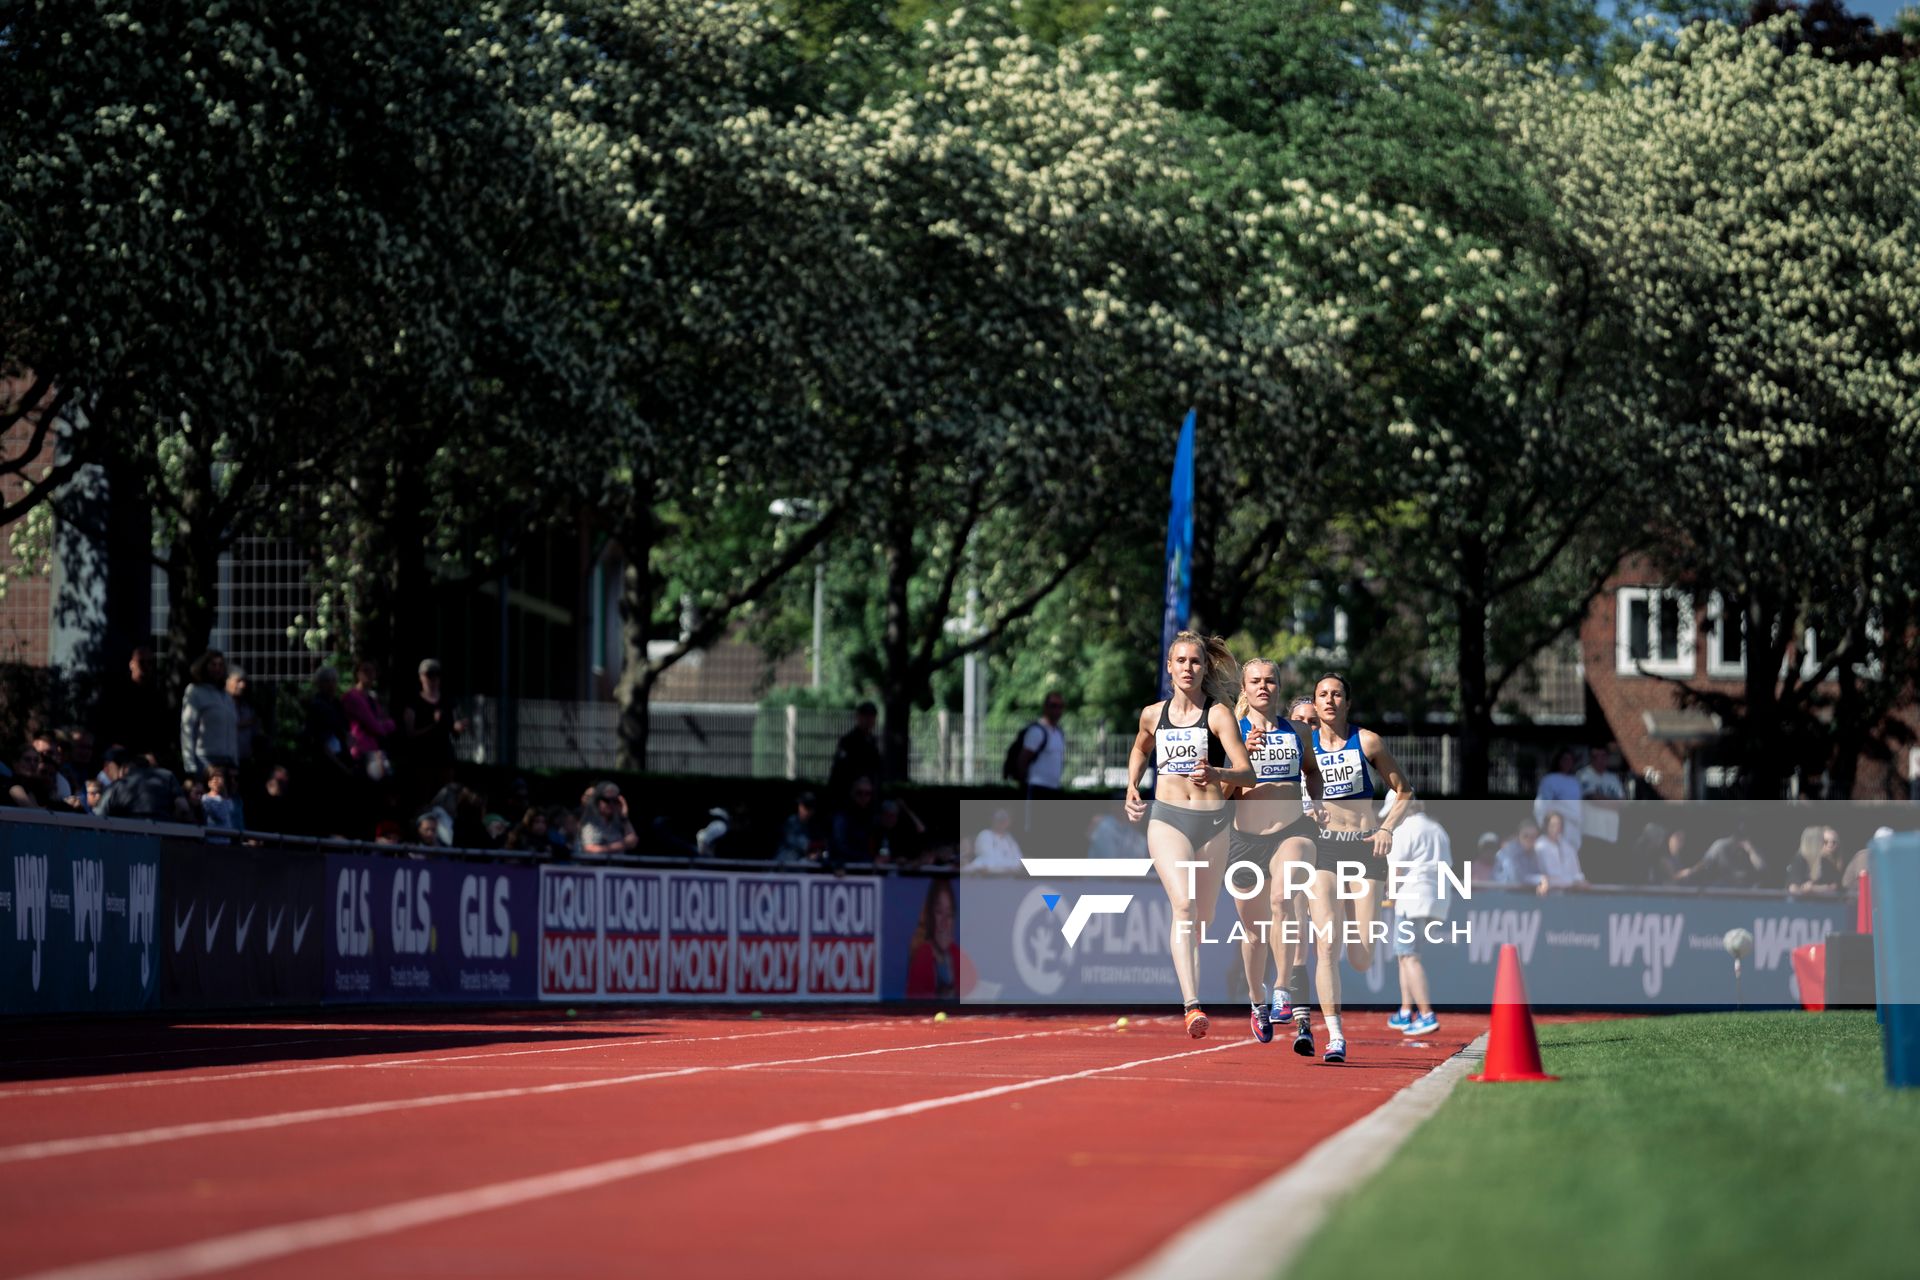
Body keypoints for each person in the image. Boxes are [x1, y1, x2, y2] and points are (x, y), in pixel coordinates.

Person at [1123, 631, 1257, 1039]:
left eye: (1195, 661)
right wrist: (1132, 785)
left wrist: (1217, 772)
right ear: (1169, 667)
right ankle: (1192, 1005)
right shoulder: (1152, 714)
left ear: (1204, 667)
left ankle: (1196, 981)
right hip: (1167, 819)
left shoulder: (1218, 715)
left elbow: (1246, 772)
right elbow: (1141, 749)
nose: (1187, 668)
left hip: (1212, 823)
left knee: (1204, 916)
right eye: (1180, 661)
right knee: (1183, 906)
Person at [1302, 671, 1413, 1063]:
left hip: (1365, 849)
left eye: (1337, 694)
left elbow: (1404, 791)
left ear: (1347, 703)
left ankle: (1357, 935)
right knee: (1326, 944)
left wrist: (1386, 828)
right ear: (1315, 703)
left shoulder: (1367, 742)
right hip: (1324, 849)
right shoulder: (1305, 747)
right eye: (1322, 694)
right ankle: (1335, 1036)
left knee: (1361, 957)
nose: (1329, 700)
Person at [1229, 657, 1326, 1049]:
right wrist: (1241, 759)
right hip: (1245, 840)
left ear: (1279, 687)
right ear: (1245, 688)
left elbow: (1312, 772)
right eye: (1255, 681)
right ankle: (1258, 1001)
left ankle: (1283, 989)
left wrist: (1318, 801)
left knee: (1282, 898)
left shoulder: (1298, 731)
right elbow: (1216, 794)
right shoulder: (1230, 730)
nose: (1263, 687)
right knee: (1254, 933)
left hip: (1292, 831)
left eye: (1270, 681)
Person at [1387, 799, 1450, 1037]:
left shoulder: (1404, 829)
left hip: (1412, 898)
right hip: (1435, 898)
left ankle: (1425, 1014)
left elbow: (1396, 869)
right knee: (1405, 955)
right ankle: (1406, 1011)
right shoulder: (1437, 828)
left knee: (1409, 956)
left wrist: (1391, 895)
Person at [402, 659, 466, 796]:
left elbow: (454, 726)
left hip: (444, 759)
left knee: (445, 797)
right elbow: (410, 734)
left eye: (437, 674)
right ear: (421, 676)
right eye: (429, 674)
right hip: (422, 761)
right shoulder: (414, 702)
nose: (433, 679)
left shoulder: (448, 700)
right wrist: (433, 723)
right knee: (423, 798)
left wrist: (457, 727)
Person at [905, 878, 973, 1000]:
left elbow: (975, 991)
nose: (944, 923)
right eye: (939, 912)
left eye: (949, 915)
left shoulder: (958, 956)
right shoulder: (923, 955)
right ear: (930, 916)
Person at [179, 650, 239, 779]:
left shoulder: (226, 696)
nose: (217, 669)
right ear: (204, 666)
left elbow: (232, 732)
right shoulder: (195, 691)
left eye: (221, 665)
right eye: (213, 664)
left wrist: (235, 762)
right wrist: (190, 766)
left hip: (227, 762)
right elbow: (188, 729)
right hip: (205, 760)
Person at [100, 746, 189, 821]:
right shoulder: (167, 776)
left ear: (125, 768)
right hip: (164, 831)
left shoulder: (119, 785)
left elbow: (101, 814)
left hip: (128, 833)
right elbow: (183, 807)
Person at [341, 659, 396, 780]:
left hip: (375, 749)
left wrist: (384, 724)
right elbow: (375, 726)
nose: (369, 674)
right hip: (361, 750)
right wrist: (383, 724)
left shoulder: (371, 698)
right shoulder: (352, 697)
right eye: (365, 670)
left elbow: (389, 723)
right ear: (357, 673)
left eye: (372, 671)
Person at [1015, 691, 1069, 810]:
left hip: (1053, 788)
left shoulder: (1058, 732)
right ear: (1045, 707)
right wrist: (1024, 787)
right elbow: (1023, 760)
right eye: (1053, 705)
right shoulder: (1037, 731)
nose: (1057, 710)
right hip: (1037, 788)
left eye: (1060, 706)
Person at [826, 702, 883, 807]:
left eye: (872, 717)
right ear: (859, 717)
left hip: (869, 799)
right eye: (866, 716)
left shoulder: (873, 742)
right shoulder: (848, 741)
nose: (869, 720)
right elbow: (839, 770)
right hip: (848, 798)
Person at [1674, 824, 1765, 888]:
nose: (1738, 841)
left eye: (1742, 837)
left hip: (1747, 886)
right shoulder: (1721, 845)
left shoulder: (1752, 848)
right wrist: (1690, 872)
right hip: (1726, 885)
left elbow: (1762, 868)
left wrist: (1750, 850)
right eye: (1737, 837)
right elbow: (1705, 862)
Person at [1533, 749, 1584, 854]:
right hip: (1559, 826)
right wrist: (1544, 824)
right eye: (1565, 759)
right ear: (1558, 761)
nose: (1568, 762)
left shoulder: (1575, 781)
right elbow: (1542, 804)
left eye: (1570, 760)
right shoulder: (1549, 780)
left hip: (1574, 827)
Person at [829, 777, 878, 868]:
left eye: (868, 793)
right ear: (852, 793)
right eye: (859, 793)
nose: (863, 797)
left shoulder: (872, 817)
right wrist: (866, 858)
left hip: (867, 868)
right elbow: (840, 847)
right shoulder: (842, 817)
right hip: (846, 869)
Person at [1533, 810, 1587, 892]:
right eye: (1553, 825)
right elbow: (1545, 876)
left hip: (1570, 893)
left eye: (1559, 825)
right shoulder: (1539, 847)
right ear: (1546, 826)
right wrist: (1573, 883)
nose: (1556, 828)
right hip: (1548, 892)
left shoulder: (1568, 847)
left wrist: (1581, 881)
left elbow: (1576, 873)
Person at [579, 782, 637, 856]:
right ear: (598, 801)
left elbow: (632, 842)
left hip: (616, 863)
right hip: (595, 863)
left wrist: (624, 817)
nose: (611, 804)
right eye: (606, 800)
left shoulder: (619, 820)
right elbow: (589, 849)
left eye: (615, 800)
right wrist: (620, 845)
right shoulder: (590, 821)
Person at [1783, 825, 1844, 894]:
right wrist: (1808, 889)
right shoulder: (1799, 860)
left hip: (1819, 900)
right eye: (1824, 841)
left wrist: (1814, 888)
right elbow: (1793, 888)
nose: (1828, 845)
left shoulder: (1824, 861)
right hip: (1800, 900)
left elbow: (1834, 886)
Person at [968, 807, 1024, 871]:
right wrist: (1013, 865)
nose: (1002, 822)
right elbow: (989, 861)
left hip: (1007, 874)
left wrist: (1013, 865)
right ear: (992, 819)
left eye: (1005, 819)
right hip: (986, 875)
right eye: (999, 819)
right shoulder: (985, 835)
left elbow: (1019, 860)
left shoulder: (1009, 838)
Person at [775, 792, 819, 865]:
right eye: (805, 807)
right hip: (785, 865)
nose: (806, 811)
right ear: (799, 806)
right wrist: (809, 848)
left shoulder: (813, 827)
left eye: (810, 808)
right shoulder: (790, 822)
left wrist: (814, 854)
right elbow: (792, 840)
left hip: (801, 865)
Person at [199, 765, 243, 838]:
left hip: (227, 839)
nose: (215, 780)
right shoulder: (206, 798)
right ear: (208, 782)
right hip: (213, 839)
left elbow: (230, 811)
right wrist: (224, 794)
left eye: (219, 777)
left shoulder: (232, 799)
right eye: (212, 778)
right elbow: (221, 815)